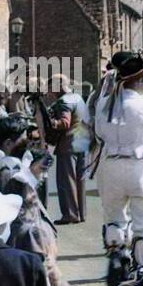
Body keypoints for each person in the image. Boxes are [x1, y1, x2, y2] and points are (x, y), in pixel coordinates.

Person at [93, 50, 143, 278]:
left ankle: (117, 259)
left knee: (115, 217)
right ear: (140, 80)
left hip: (111, 168)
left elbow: (99, 134)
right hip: (141, 169)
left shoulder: (104, 104)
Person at [49, 83, 91, 224]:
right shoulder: (78, 98)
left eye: (50, 88)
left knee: (67, 181)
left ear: (57, 87)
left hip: (68, 145)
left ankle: (70, 214)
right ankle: (81, 213)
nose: (50, 92)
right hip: (81, 143)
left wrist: (51, 123)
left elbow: (65, 123)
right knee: (80, 181)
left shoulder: (63, 101)